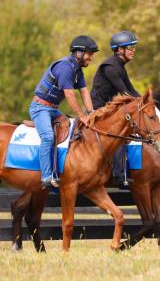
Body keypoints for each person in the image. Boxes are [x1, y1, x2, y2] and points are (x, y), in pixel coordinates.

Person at [29, 35, 99, 189]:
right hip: (39, 108)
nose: (91, 57)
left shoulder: (77, 70)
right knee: (48, 137)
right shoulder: (65, 67)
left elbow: (84, 92)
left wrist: (91, 112)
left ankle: (64, 169)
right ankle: (46, 177)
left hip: (53, 109)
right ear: (79, 53)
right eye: (89, 54)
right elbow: (69, 95)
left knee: (73, 129)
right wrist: (82, 116)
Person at [90, 30, 140, 187]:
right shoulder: (110, 67)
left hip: (109, 108)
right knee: (119, 135)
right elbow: (125, 93)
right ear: (119, 50)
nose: (133, 50)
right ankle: (119, 176)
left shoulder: (120, 66)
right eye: (130, 47)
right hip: (98, 110)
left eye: (133, 47)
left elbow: (132, 91)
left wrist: (149, 103)